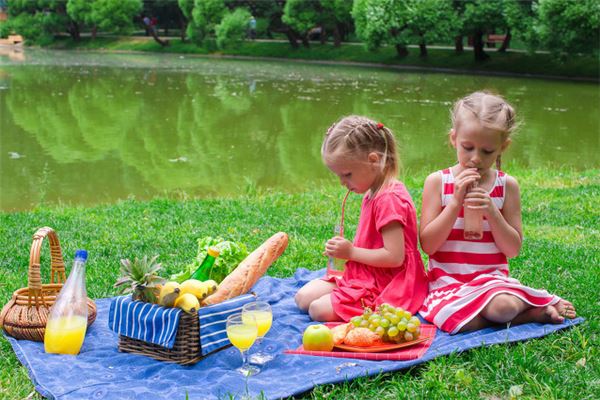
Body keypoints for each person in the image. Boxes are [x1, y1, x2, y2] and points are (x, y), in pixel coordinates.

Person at [418, 91, 576, 334]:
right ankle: (531, 314)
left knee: (502, 308)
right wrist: (454, 203)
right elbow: (428, 245)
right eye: (467, 147)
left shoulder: (506, 186)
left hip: (492, 282)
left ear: (503, 147)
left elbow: (512, 249)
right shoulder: (438, 182)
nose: (475, 159)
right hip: (448, 282)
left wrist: (492, 211)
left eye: (488, 151)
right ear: (453, 138)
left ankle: (530, 303)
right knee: (454, 321)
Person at [295, 115, 428, 322]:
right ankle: (346, 293)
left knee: (317, 311)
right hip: (365, 273)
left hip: (391, 281)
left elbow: (395, 257)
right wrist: (347, 252)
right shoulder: (371, 190)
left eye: (347, 174)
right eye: (338, 175)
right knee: (303, 298)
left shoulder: (389, 198)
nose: (342, 182)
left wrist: (351, 252)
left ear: (373, 161)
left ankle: (353, 299)